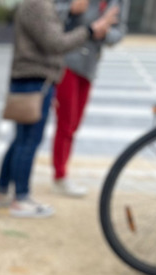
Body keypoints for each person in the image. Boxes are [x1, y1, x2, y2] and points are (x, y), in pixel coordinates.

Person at [0, 0, 118, 218]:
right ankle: (21, 197)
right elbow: (55, 43)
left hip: (30, 77)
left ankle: (0, 191)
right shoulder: (38, 4)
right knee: (29, 140)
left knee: (21, 139)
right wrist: (89, 31)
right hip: (35, 78)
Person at [51, 0, 129, 197]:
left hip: (89, 66)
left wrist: (104, 32)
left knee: (75, 123)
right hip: (66, 60)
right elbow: (49, 13)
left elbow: (119, 31)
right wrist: (71, 9)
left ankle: (61, 172)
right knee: (66, 123)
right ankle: (59, 175)